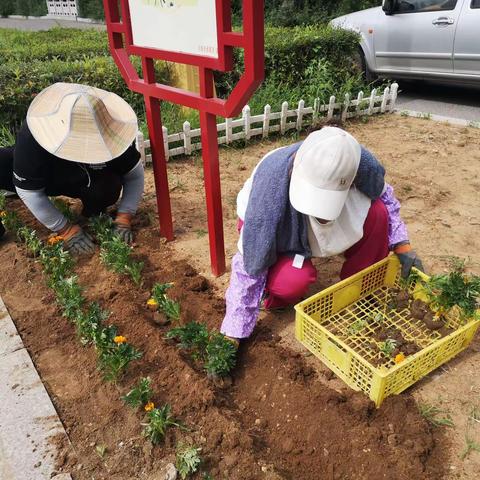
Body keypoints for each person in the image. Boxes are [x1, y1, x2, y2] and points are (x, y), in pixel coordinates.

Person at [220, 126, 423, 343]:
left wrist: (401, 244)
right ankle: (272, 289)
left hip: (311, 216)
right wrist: (234, 332)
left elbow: (386, 198)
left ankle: (360, 286)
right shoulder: (269, 194)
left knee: (378, 213)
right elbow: (250, 263)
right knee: (290, 281)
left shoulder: (357, 162)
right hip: (279, 223)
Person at [0, 82, 144, 255]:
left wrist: (124, 217)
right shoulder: (34, 136)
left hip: (88, 179)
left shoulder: (110, 132)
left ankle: (93, 210)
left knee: (108, 186)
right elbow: (29, 192)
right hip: (49, 176)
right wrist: (66, 229)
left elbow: (134, 175)